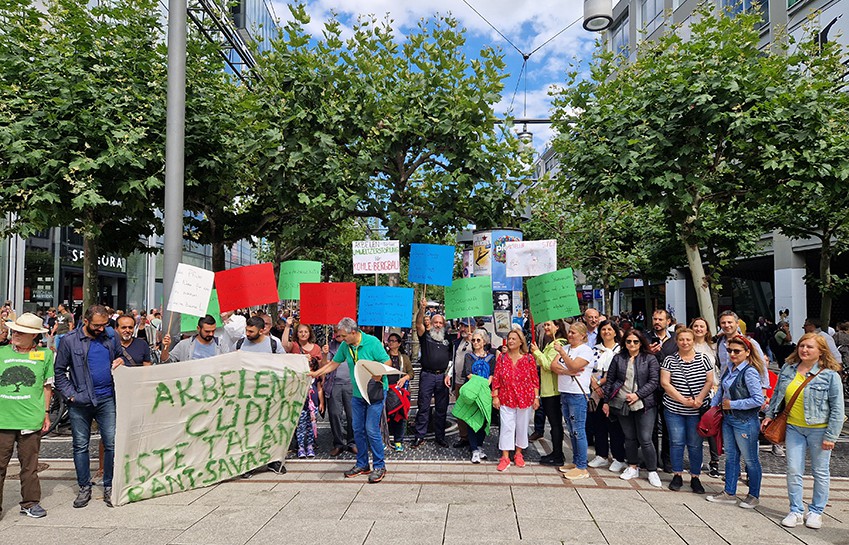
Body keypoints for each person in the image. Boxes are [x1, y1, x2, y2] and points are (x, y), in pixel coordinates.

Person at [764, 333, 845, 529]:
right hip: (793, 427)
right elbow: (777, 394)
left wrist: (831, 436)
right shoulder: (788, 369)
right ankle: (796, 510)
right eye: (802, 346)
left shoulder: (830, 375)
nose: (804, 350)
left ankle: (816, 512)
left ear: (821, 351)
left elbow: (838, 408)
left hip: (819, 429)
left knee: (820, 471)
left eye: (810, 347)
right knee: (793, 470)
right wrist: (769, 414)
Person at [54, 305, 121, 508]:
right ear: (86, 321)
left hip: (107, 398)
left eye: (105, 325)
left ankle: (109, 485)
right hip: (80, 402)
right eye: (97, 325)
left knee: (111, 442)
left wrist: (119, 361)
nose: (102, 329)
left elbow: (119, 358)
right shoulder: (69, 340)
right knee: (80, 445)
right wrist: (72, 396)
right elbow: (59, 372)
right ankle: (84, 486)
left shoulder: (111, 336)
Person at [310, 317, 391, 484]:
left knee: (371, 429)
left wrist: (379, 373)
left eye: (344, 336)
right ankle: (362, 464)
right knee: (357, 429)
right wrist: (316, 374)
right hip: (357, 393)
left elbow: (387, 361)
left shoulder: (372, 342)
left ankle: (379, 465)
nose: (341, 339)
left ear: (353, 332)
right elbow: (334, 363)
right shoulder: (346, 346)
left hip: (374, 393)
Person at [0, 313, 54, 519]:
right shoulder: (1, 352)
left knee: (29, 466)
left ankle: (30, 503)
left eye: (22, 333)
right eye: (15, 331)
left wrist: (46, 414)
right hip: (2, 418)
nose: (16, 335)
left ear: (33, 336)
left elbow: (46, 387)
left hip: (30, 418)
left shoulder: (44, 354)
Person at [706, 335, 765, 508]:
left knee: (750, 459)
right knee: (731, 457)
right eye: (730, 350)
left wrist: (733, 404)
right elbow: (721, 391)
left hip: (745, 420)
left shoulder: (750, 372)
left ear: (747, 352)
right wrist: (713, 407)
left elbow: (757, 399)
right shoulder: (730, 368)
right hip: (728, 418)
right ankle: (729, 492)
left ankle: (753, 494)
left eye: (737, 351)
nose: (732, 354)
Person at [603, 329, 661, 486]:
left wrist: (638, 395)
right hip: (622, 402)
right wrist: (606, 401)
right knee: (629, 437)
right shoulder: (618, 358)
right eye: (628, 341)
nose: (632, 344)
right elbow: (610, 380)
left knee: (645, 438)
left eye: (635, 341)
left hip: (644, 403)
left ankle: (652, 470)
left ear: (641, 342)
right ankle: (632, 466)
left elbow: (653, 381)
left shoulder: (649, 358)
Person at [660, 327, 713, 494]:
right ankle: (677, 474)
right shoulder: (669, 360)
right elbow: (665, 383)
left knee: (695, 444)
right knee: (676, 443)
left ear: (693, 341)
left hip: (696, 410)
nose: (685, 342)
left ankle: (695, 476)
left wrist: (699, 399)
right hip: (674, 408)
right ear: (677, 341)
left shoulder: (703, 359)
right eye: (681, 339)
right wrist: (682, 400)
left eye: (688, 340)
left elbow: (709, 381)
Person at [551, 322, 594, 480]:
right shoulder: (568, 348)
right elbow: (553, 366)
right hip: (565, 392)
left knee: (578, 430)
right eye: (569, 332)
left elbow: (575, 365)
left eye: (574, 333)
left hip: (577, 394)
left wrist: (562, 352)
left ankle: (582, 466)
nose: (570, 335)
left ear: (583, 335)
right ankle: (576, 461)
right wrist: (567, 371)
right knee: (571, 429)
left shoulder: (586, 350)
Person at [491, 329, 538, 471]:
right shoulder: (502, 358)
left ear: (520, 341)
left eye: (513, 339)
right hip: (506, 397)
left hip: (525, 397)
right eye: (509, 338)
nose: (510, 341)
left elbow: (534, 380)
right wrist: (495, 396)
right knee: (506, 427)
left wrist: (536, 397)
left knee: (522, 426)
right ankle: (505, 456)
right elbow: (496, 378)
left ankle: (518, 453)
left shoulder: (529, 358)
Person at [412, 297, 451, 448]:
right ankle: (419, 436)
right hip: (427, 375)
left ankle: (440, 437)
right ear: (432, 323)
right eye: (436, 322)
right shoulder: (426, 336)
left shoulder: (447, 338)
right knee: (423, 406)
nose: (438, 325)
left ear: (444, 325)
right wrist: (422, 309)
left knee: (442, 408)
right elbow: (418, 323)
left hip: (442, 377)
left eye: (441, 323)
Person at [587, 320, 626, 470]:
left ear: (615, 332)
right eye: (603, 329)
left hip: (614, 390)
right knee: (598, 424)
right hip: (596, 391)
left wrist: (602, 383)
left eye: (610, 329)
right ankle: (601, 455)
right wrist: (595, 386)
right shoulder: (594, 349)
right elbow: (588, 368)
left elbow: (617, 372)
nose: (606, 332)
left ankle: (618, 457)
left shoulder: (620, 351)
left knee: (615, 426)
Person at [530, 320, 569, 466]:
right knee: (553, 424)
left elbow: (548, 365)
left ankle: (558, 455)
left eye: (549, 325)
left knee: (555, 424)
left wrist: (537, 352)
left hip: (553, 390)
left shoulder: (558, 344)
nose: (546, 327)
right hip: (547, 389)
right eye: (545, 325)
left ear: (557, 327)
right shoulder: (550, 343)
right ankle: (556, 452)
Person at [690, 316, 721, 477]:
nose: (699, 329)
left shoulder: (713, 347)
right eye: (696, 326)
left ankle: (714, 462)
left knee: (712, 427)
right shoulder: (687, 344)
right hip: (691, 392)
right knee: (695, 428)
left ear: (707, 329)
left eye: (702, 326)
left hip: (711, 392)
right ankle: (697, 459)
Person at [461, 329, 497, 462]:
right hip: (473, 392)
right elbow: (469, 373)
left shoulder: (491, 358)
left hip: (485, 393)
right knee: (472, 420)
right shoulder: (469, 357)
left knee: (483, 420)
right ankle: (474, 448)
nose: (475, 342)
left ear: (484, 342)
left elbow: (492, 374)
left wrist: (486, 385)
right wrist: (482, 384)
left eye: (478, 340)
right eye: (474, 340)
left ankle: (480, 446)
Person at [647, 309, 676, 473]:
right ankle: (650, 458)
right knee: (650, 426)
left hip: (669, 388)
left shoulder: (674, 340)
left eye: (660, 319)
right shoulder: (646, 337)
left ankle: (667, 460)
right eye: (655, 319)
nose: (657, 322)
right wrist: (648, 352)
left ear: (668, 322)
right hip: (650, 387)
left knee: (668, 426)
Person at [322, 329, 356, 457]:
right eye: (335, 331)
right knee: (335, 414)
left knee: (352, 414)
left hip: (351, 384)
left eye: (340, 332)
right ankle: (338, 443)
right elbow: (324, 366)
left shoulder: (353, 346)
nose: (337, 334)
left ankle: (353, 442)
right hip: (334, 383)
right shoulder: (329, 346)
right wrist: (325, 355)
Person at [448, 318, 476, 449]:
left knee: (471, 411)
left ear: (473, 327)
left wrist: (473, 341)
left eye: (466, 326)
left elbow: (483, 354)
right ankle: (463, 436)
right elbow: (453, 360)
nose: (463, 329)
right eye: (462, 326)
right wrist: (449, 375)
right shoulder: (457, 342)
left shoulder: (477, 340)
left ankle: (474, 439)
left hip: (470, 382)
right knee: (460, 411)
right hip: (458, 381)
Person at [160, 315, 231, 362]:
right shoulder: (185, 345)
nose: (211, 334)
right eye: (207, 331)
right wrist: (166, 348)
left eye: (213, 331)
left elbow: (229, 363)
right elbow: (166, 362)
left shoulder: (221, 345)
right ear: (198, 329)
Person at [386, 332, 413, 451]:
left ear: (399, 343)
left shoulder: (404, 358)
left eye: (393, 341)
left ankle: (398, 441)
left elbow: (411, 373)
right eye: (389, 340)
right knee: (385, 417)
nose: (390, 343)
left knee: (399, 416)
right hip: (387, 390)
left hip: (400, 391)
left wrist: (404, 378)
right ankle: (384, 440)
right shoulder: (384, 356)